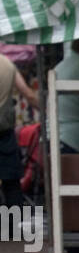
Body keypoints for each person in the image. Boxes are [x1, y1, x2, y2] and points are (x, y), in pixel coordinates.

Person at [0, 51, 38, 207]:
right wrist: (49, 111)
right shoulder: (7, 64)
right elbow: (29, 94)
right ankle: (13, 229)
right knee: (11, 184)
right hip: (5, 134)